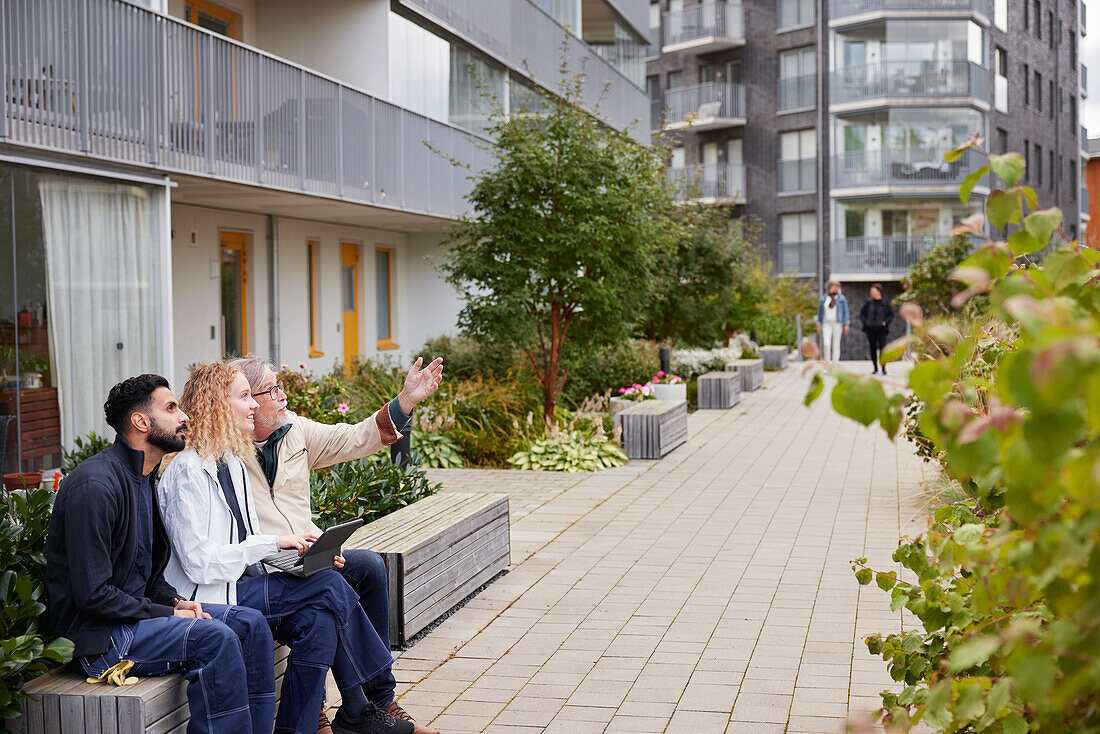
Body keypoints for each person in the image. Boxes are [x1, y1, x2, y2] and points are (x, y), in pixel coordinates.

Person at [157, 362, 420, 734]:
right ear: (218, 405)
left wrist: (296, 553)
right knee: (328, 586)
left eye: (253, 395)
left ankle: (302, 726)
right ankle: (368, 697)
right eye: (246, 396)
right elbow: (199, 564)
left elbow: (247, 538)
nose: (254, 405)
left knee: (321, 618)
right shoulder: (188, 472)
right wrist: (275, 543)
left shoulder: (229, 461)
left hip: (246, 578)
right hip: (210, 595)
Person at [46, 375, 277, 734]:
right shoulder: (96, 486)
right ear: (141, 423)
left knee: (250, 624)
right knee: (215, 638)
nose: (184, 415)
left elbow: (146, 577)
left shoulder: (143, 478)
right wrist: (166, 611)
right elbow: (93, 595)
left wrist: (176, 601)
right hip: (99, 640)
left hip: (133, 622)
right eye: (171, 408)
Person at [228, 356, 443, 734]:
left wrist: (405, 401)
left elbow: (354, 437)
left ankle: (379, 700)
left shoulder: (294, 429)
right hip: (262, 568)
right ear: (244, 400)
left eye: (280, 387)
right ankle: (349, 711)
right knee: (330, 590)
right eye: (271, 390)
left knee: (370, 568)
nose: (282, 397)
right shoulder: (224, 453)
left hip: (305, 557)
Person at [859, 283, 894, 375]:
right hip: (870, 329)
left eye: (873, 291)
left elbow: (891, 314)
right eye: (871, 291)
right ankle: (875, 368)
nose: (871, 293)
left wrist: (885, 322)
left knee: (883, 348)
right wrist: (866, 322)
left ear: (878, 291)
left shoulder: (885, 303)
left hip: (882, 330)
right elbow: (862, 314)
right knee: (872, 348)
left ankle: (883, 368)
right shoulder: (868, 303)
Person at [815, 280, 850, 362]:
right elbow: (820, 312)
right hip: (826, 323)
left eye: (837, 287)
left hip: (837, 323)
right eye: (833, 286)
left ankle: (835, 364)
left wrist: (846, 324)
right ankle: (827, 363)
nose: (835, 288)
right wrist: (818, 323)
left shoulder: (841, 298)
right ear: (829, 287)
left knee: (836, 345)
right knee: (826, 344)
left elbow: (845, 311)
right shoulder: (824, 298)